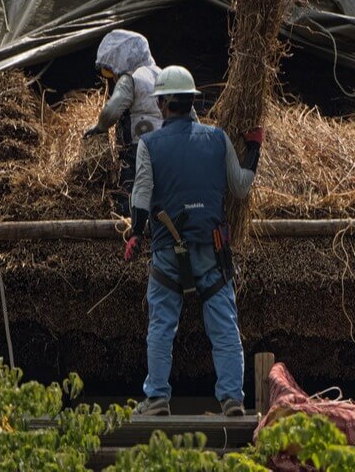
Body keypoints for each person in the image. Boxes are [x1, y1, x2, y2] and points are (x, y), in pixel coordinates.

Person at [124, 65, 263, 417]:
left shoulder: (149, 145)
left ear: (165, 103)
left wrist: (136, 234)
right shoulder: (217, 139)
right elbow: (242, 186)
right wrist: (254, 150)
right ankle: (232, 399)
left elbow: (141, 195)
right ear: (191, 101)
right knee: (224, 325)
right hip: (212, 249)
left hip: (169, 250)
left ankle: (156, 398)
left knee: (161, 325)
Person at [83, 30, 163, 216]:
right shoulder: (165, 75)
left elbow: (111, 111)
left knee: (130, 191)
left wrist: (100, 127)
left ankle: (128, 229)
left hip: (138, 149)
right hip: (169, 147)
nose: (111, 76)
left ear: (124, 57)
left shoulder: (131, 78)